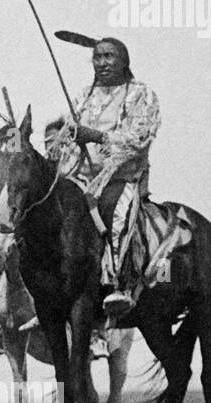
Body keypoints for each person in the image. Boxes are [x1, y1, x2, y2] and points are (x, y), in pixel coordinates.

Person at [50, 37, 160, 317]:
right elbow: (62, 133)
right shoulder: (84, 95)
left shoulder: (142, 94)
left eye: (109, 56)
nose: (102, 63)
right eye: (97, 57)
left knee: (114, 212)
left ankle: (118, 283)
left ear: (124, 61)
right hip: (77, 177)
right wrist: (61, 136)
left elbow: (140, 137)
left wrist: (97, 136)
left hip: (119, 176)